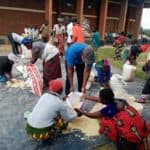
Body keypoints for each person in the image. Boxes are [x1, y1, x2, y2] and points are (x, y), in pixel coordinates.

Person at [75, 88, 150, 150]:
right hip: (140, 128)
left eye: (100, 97)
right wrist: (85, 96)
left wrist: (82, 112)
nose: (99, 98)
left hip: (130, 139)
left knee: (105, 122)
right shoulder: (121, 101)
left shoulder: (109, 110)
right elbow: (99, 99)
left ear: (104, 100)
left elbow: (92, 115)